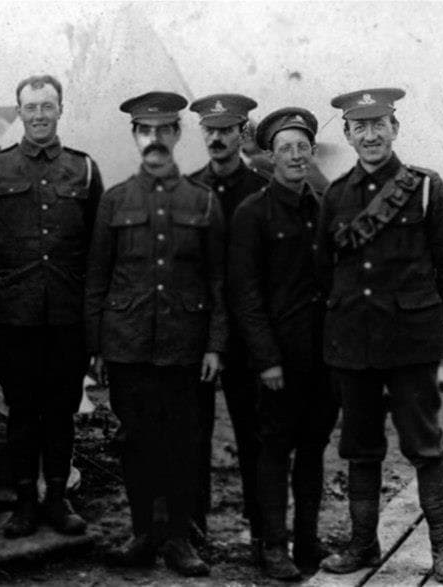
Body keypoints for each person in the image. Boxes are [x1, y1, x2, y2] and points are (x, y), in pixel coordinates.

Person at [316, 88, 443, 584]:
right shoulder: (336, 195)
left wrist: (421, 319)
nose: (370, 135)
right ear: (346, 135)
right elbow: (326, 272)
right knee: (360, 448)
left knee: (424, 445)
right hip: (354, 345)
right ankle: (363, 545)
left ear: (395, 128)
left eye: (378, 123)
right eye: (359, 127)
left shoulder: (425, 187)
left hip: (410, 346)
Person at [86, 91, 226, 577]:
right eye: (146, 131)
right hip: (127, 345)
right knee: (136, 442)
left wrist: (214, 345)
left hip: (185, 347)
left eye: (165, 130)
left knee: (184, 443)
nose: (155, 139)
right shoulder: (115, 201)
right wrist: (97, 346)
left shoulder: (202, 202)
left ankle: (180, 540)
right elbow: (97, 279)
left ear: (177, 135)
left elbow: (219, 282)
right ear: (135, 137)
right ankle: (143, 532)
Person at [0, 74, 103, 539]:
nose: (40, 115)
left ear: (60, 109)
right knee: (21, 409)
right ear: (19, 112)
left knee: (61, 409)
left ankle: (57, 500)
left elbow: (96, 249)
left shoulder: (83, 169)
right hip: (13, 318)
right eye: (31, 107)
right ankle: (25, 503)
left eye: (48, 106)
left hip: (67, 315)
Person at [228, 107, 339, 579]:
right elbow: (245, 294)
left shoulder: (324, 206)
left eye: (301, 148)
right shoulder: (252, 213)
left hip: (323, 358)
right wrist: (266, 359)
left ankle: (308, 541)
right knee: (273, 450)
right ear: (270, 159)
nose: (295, 156)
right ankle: (273, 545)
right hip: (278, 360)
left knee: (313, 448)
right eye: (285, 149)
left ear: (312, 152)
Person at [186, 93, 266, 547]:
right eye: (210, 130)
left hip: (249, 335)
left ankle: (262, 533)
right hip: (200, 335)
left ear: (242, 133)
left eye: (226, 130)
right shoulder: (188, 189)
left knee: (254, 436)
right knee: (194, 435)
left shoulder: (261, 190)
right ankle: (193, 531)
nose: (217, 138)